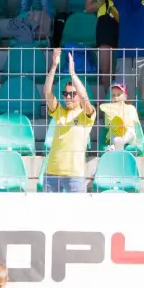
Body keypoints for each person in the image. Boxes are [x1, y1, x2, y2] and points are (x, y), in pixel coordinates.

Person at [43, 48, 96, 193]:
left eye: (72, 94)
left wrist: (73, 74)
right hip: (52, 171)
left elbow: (84, 97)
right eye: (65, 94)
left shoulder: (86, 114)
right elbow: (47, 92)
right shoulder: (59, 111)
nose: (68, 97)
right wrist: (54, 66)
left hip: (74, 174)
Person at [84, 0, 132, 98]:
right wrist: (100, 1)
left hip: (125, 19)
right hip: (105, 20)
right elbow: (88, 7)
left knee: (126, 65)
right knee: (105, 67)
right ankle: (109, 99)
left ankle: (125, 100)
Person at [99, 82, 140, 152]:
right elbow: (108, 126)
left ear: (125, 97)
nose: (115, 97)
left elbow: (133, 124)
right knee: (114, 136)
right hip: (115, 134)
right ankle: (117, 144)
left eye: (118, 95)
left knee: (130, 131)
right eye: (113, 95)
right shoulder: (108, 109)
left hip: (128, 136)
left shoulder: (131, 108)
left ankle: (116, 145)